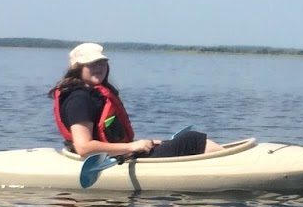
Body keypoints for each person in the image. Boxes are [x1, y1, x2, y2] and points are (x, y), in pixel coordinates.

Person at [50, 43, 223, 158]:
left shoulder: (91, 94)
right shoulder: (78, 99)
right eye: (92, 64)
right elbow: (84, 147)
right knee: (192, 140)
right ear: (77, 68)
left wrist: (143, 143)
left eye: (102, 62)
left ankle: (227, 159)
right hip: (103, 160)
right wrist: (132, 147)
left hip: (117, 154)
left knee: (184, 139)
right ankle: (231, 165)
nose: (99, 67)